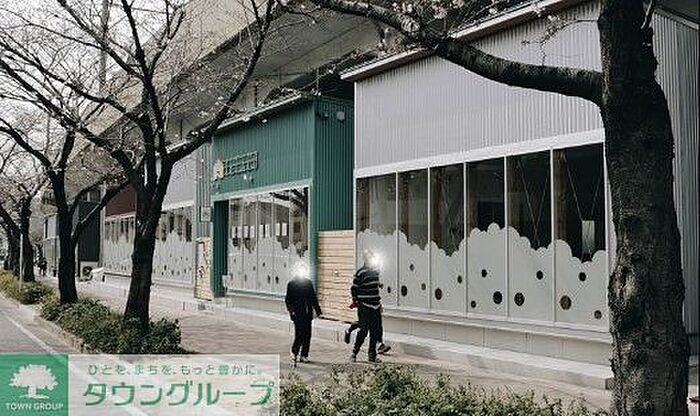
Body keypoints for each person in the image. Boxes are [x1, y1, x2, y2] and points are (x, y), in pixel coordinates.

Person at [349, 250, 385, 363]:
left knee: (375, 331)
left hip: (375, 305)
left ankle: (372, 355)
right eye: (369, 257)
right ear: (365, 259)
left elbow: (375, 288)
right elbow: (354, 288)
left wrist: (379, 303)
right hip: (364, 305)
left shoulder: (375, 272)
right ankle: (354, 352)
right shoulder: (360, 272)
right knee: (363, 330)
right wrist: (355, 301)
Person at [285, 268, 322, 368]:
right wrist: (291, 311)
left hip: (307, 313)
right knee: (299, 334)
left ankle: (304, 355)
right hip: (297, 313)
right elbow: (288, 300)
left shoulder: (308, 283)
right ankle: (294, 352)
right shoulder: (291, 284)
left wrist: (318, 310)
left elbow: (313, 297)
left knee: (307, 335)